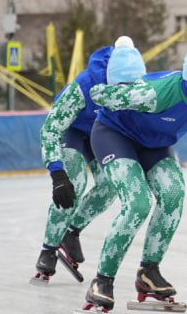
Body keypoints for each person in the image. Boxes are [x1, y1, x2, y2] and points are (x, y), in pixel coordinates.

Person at [77, 28, 187, 314]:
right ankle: (102, 280)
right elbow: (100, 94)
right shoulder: (156, 93)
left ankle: (149, 272)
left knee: (174, 194)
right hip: (115, 135)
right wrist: (109, 91)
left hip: (154, 145)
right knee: (137, 203)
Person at [32, 37, 146, 284]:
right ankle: (48, 248)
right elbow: (50, 128)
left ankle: (71, 233)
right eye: (120, 87)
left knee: (110, 184)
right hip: (75, 133)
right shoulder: (84, 86)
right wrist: (56, 172)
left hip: (105, 134)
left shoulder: (141, 89)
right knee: (74, 181)